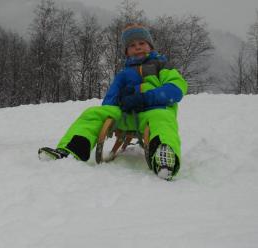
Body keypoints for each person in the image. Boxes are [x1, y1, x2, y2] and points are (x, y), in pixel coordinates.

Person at [38, 24, 188, 180]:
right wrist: (121, 100)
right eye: (132, 45)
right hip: (124, 114)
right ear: (126, 51)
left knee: (163, 119)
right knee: (93, 113)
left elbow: (175, 90)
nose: (137, 48)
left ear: (150, 46)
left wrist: (145, 97)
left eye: (142, 43)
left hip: (152, 112)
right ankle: (70, 151)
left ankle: (164, 159)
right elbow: (109, 101)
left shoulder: (163, 68)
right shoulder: (123, 75)